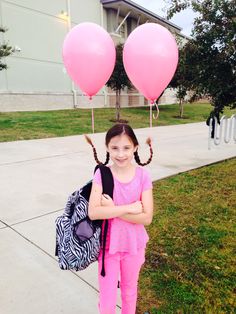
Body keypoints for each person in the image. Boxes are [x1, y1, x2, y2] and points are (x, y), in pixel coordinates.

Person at [85, 123, 154, 314]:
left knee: (129, 293)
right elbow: (94, 212)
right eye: (115, 148)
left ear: (135, 148)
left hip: (134, 246)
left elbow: (146, 217)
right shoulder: (102, 173)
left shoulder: (143, 176)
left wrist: (114, 209)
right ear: (107, 148)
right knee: (107, 301)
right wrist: (131, 209)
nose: (120, 154)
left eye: (126, 148)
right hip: (108, 248)